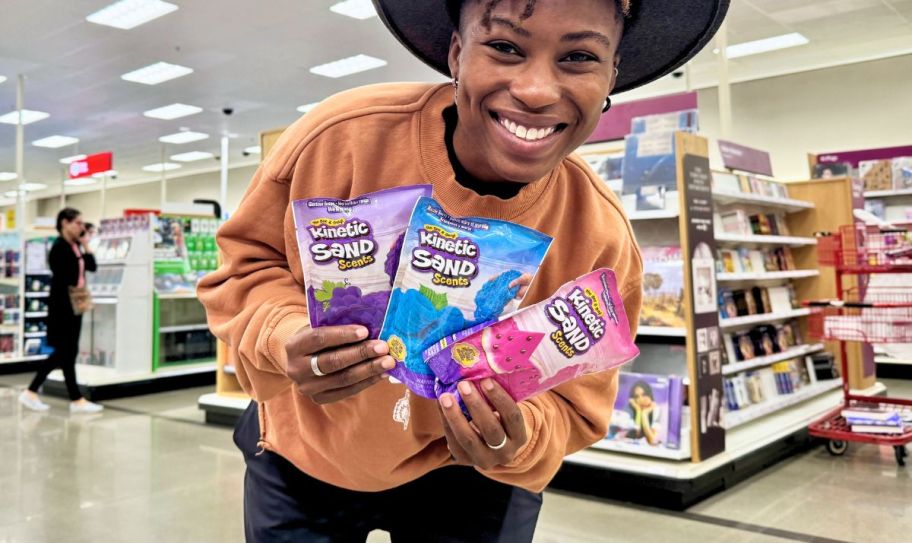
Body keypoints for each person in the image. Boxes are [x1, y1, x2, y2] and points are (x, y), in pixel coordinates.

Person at [198, 0, 728, 540]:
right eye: (504, 47)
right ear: (456, 51)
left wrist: (517, 437)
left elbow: (576, 404)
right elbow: (246, 264)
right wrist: (284, 333)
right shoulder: (342, 138)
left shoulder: (599, 235)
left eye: (579, 57)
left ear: (612, 73)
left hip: (477, 478)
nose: (537, 90)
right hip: (307, 453)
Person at [19, 208, 103, 414]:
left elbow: (92, 267)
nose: (81, 228)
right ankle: (31, 390)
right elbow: (64, 277)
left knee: (69, 352)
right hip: (62, 305)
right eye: (77, 223)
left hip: (76, 304)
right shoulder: (59, 248)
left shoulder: (75, 247)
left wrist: (85, 245)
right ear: (65, 223)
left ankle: (76, 399)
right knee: (64, 351)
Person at [626, 380, 661, 445]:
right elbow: (636, 433)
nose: (641, 399)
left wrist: (644, 414)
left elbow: (652, 441)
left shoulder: (657, 410)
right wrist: (639, 411)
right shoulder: (632, 409)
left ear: (650, 394)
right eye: (637, 396)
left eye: (644, 395)